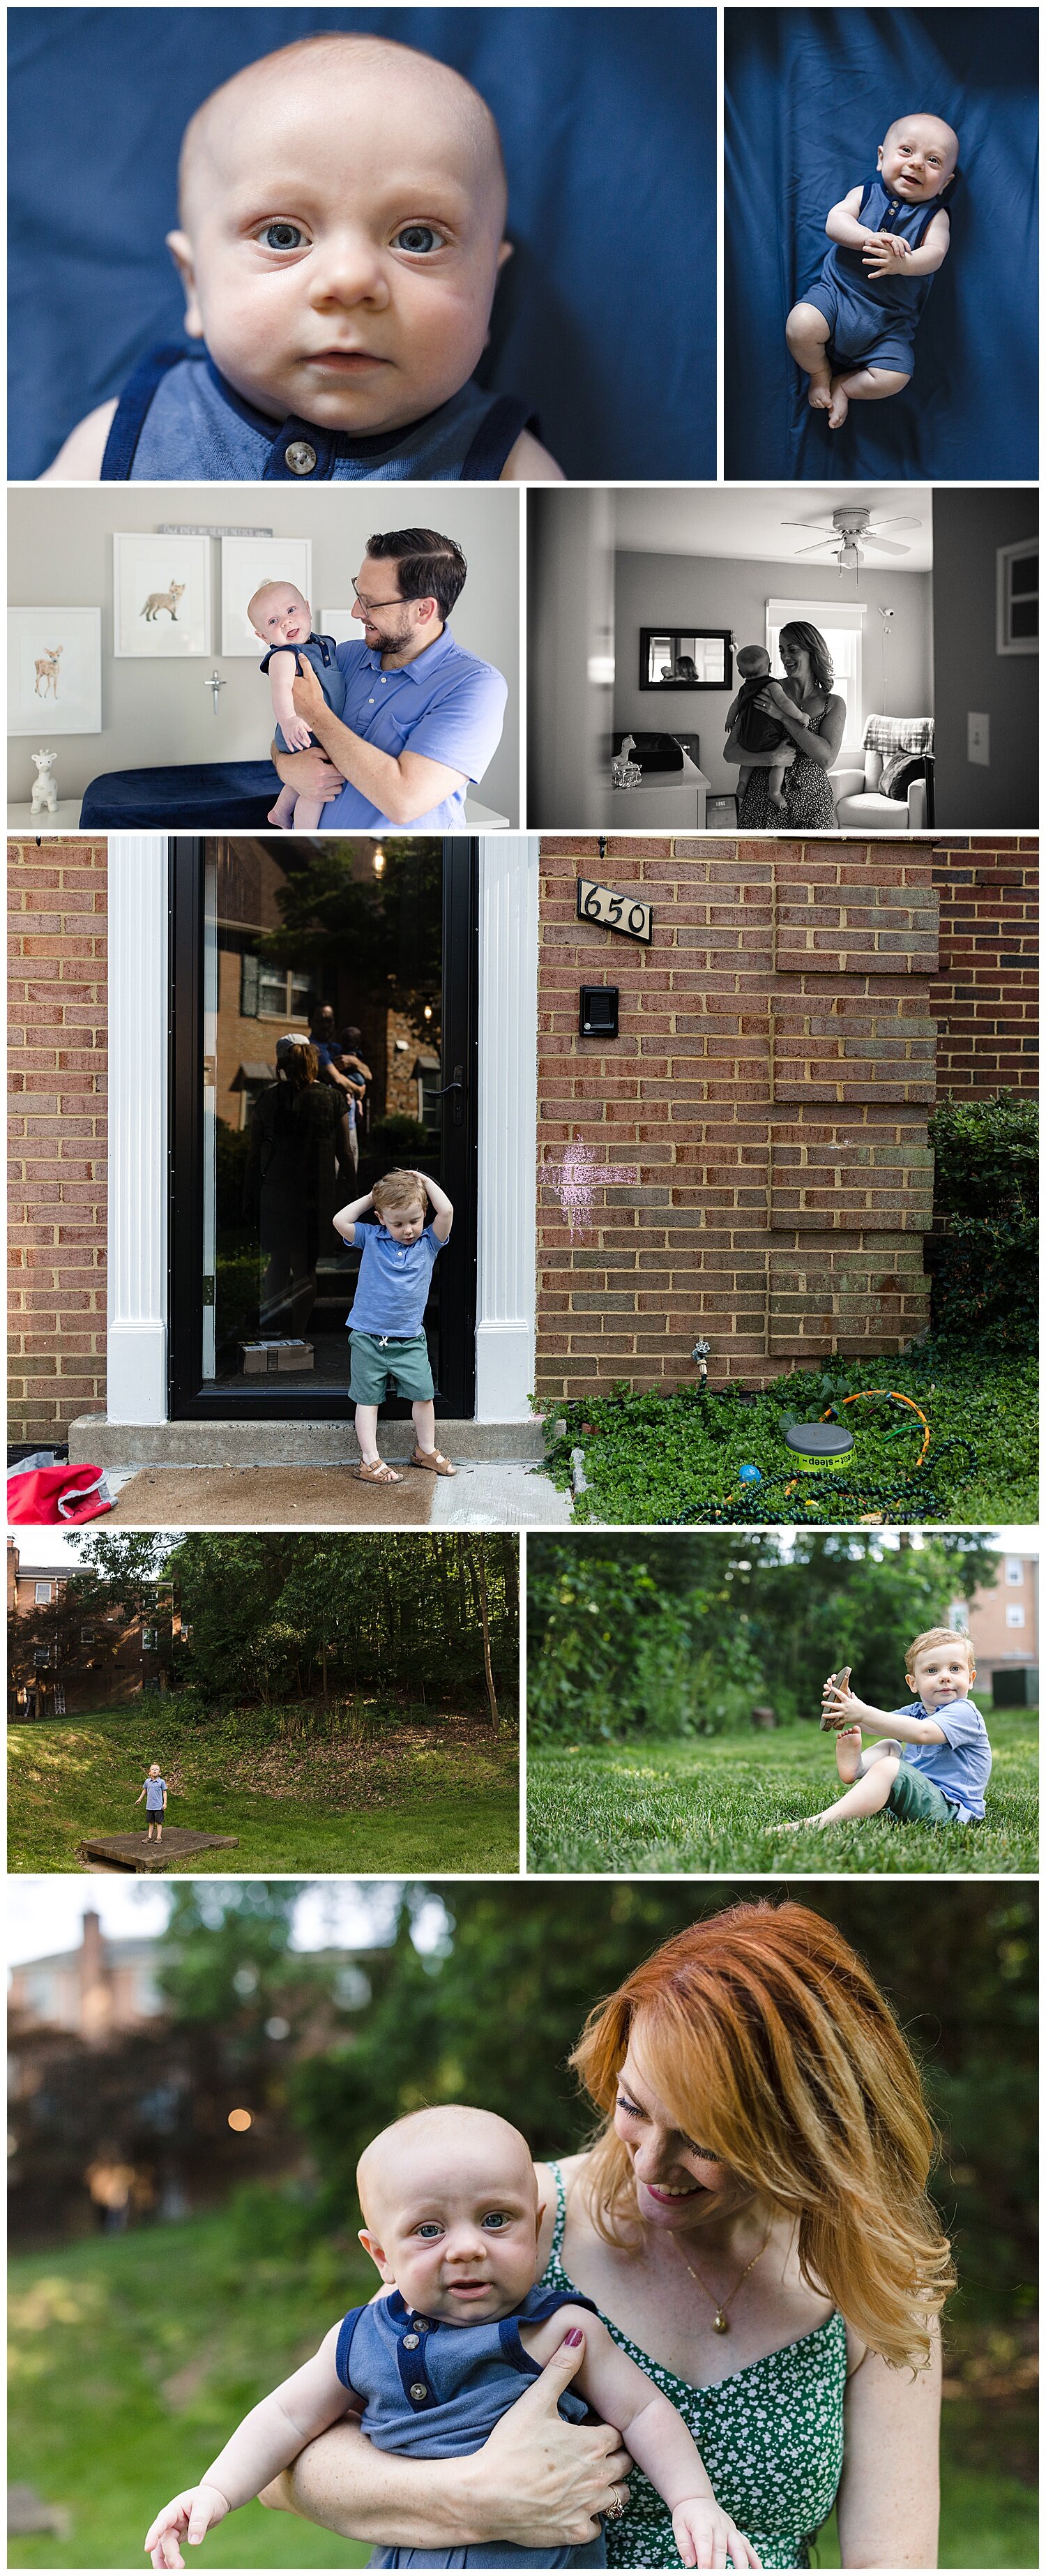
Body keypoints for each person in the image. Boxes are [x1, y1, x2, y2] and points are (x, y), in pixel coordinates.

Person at [255, 1900, 951, 2568]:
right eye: (634, 2107)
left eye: (704, 2142)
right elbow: (290, 2465)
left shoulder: (877, 2280)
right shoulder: (504, 2227)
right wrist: (472, 2500)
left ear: (808, 2133)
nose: (651, 2163)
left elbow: (892, 2560)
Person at [144, 2105, 760, 2574]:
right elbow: (284, 2416)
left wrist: (691, 2501)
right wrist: (216, 2490)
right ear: (381, 2255)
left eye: (496, 2219)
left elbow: (646, 2409)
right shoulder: (360, 2338)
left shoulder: (558, 2332)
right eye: (429, 2229)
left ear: (539, 2226)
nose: (466, 2246)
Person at [42, 33, 563, 484]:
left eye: (418, 239)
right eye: (284, 235)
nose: (350, 280)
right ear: (195, 285)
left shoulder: (508, 472)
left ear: (489, 289)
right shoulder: (129, 435)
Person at [269, 529, 508, 833]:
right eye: (358, 595)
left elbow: (403, 802)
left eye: (371, 603)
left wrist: (317, 713)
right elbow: (283, 737)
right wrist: (289, 768)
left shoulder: (475, 685)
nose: (356, 612)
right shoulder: (342, 657)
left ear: (424, 610)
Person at [785, 114, 958, 431]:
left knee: (897, 377)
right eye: (906, 151)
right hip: (836, 299)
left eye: (933, 160)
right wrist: (865, 237)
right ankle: (820, 374)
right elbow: (835, 222)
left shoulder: (936, 216)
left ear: (946, 182)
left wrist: (904, 264)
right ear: (881, 159)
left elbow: (935, 254)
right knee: (800, 325)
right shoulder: (864, 195)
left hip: (888, 326)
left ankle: (845, 387)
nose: (917, 163)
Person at [784, 1627, 992, 1832]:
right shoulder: (917, 1711)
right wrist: (849, 1702)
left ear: (970, 1679)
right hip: (923, 1799)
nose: (945, 1677)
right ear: (913, 1683)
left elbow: (923, 1733)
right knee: (890, 1745)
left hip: (951, 1811)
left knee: (889, 1766)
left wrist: (863, 1712)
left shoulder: (964, 1712)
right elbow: (877, 1725)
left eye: (955, 1669)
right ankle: (858, 1768)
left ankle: (816, 1824)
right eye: (932, 1670)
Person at [334, 1168, 456, 1484]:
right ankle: (369, 1460)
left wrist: (426, 1182)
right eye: (398, 1223)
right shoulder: (372, 1238)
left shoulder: (429, 1242)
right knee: (368, 1398)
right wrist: (373, 1197)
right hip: (368, 1337)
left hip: (410, 1339)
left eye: (414, 1220)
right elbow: (340, 1221)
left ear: (423, 1215)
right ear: (380, 1218)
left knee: (424, 1395)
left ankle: (425, 1450)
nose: (408, 1230)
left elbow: (447, 1210)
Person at [243, 1037, 347, 1343]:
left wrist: (249, 1194)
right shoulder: (332, 1098)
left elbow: (253, 1153)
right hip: (316, 1195)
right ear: (314, 1063)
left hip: (277, 1192)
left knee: (277, 1263)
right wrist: (351, 1195)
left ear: (282, 1065)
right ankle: (298, 1334)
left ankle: (273, 1329)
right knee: (306, 1268)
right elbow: (347, 1154)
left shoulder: (268, 1100)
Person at [724, 622, 844, 830]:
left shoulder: (832, 703)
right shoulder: (766, 690)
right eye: (781, 650)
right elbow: (730, 752)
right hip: (762, 801)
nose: (785, 657)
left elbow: (826, 759)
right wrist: (770, 758)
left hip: (812, 804)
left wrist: (784, 717)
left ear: (811, 651)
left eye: (792, 649)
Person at [249, 582, 349, 831]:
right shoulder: (284, 655)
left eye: (291, 610)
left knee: (301, 781)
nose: (285, 622)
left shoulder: (322, 644)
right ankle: (304, 833)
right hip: (301, 730)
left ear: (307, 608)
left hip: (316, 729)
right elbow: (280, 690)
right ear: (263, 636)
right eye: (273, 621)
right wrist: (289, 721)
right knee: (315, 792)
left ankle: (280, 812)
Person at [723, 647, 801, 815]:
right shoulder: (772, 685)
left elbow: (735, 706)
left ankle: (743, 782)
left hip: (746, 738)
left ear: (740, 673)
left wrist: (730, 721)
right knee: (780, 762)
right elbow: (784, 703)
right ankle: (774, 792)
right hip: (768, 738)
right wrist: (800, 716)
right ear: (770, 666)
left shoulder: (744, 689)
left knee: (748, 760)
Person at [135, 1764, 167, 1842]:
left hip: (158, 1806)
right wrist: (140, 1799)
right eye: (153, 1769)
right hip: (150, 1806)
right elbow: (144, 1791)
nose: (155, 1770)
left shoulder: (161, 1782)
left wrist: (165, 1803)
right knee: (151, 1822)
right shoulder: (147, 1781)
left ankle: (159, 1837)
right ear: (150, 1772)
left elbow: (164, 1793)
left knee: (158, 1822)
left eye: (157, 1769)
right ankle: (149, 1837)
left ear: (159, 1772)